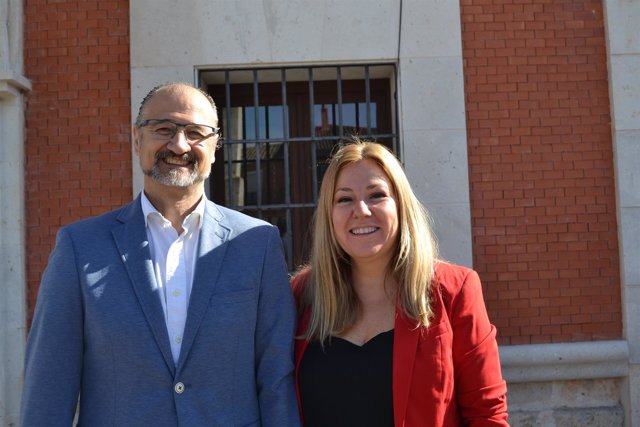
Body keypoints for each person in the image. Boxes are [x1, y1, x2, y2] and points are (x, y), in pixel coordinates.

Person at [21, 82, 301, 426]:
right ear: (137, 140)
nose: (179, 144)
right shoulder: (80, 247)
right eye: (164, 129)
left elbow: (275, 379)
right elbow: (49, 385)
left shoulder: (256, 243)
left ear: (215, 148)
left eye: (196, 133)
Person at [292, 140, 509, 426]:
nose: (361, 210)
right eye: (344, 199)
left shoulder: (455, 291)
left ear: (401, 206)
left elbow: (486, 415)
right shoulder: (300, 295)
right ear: (329, 216)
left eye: (376, 195)